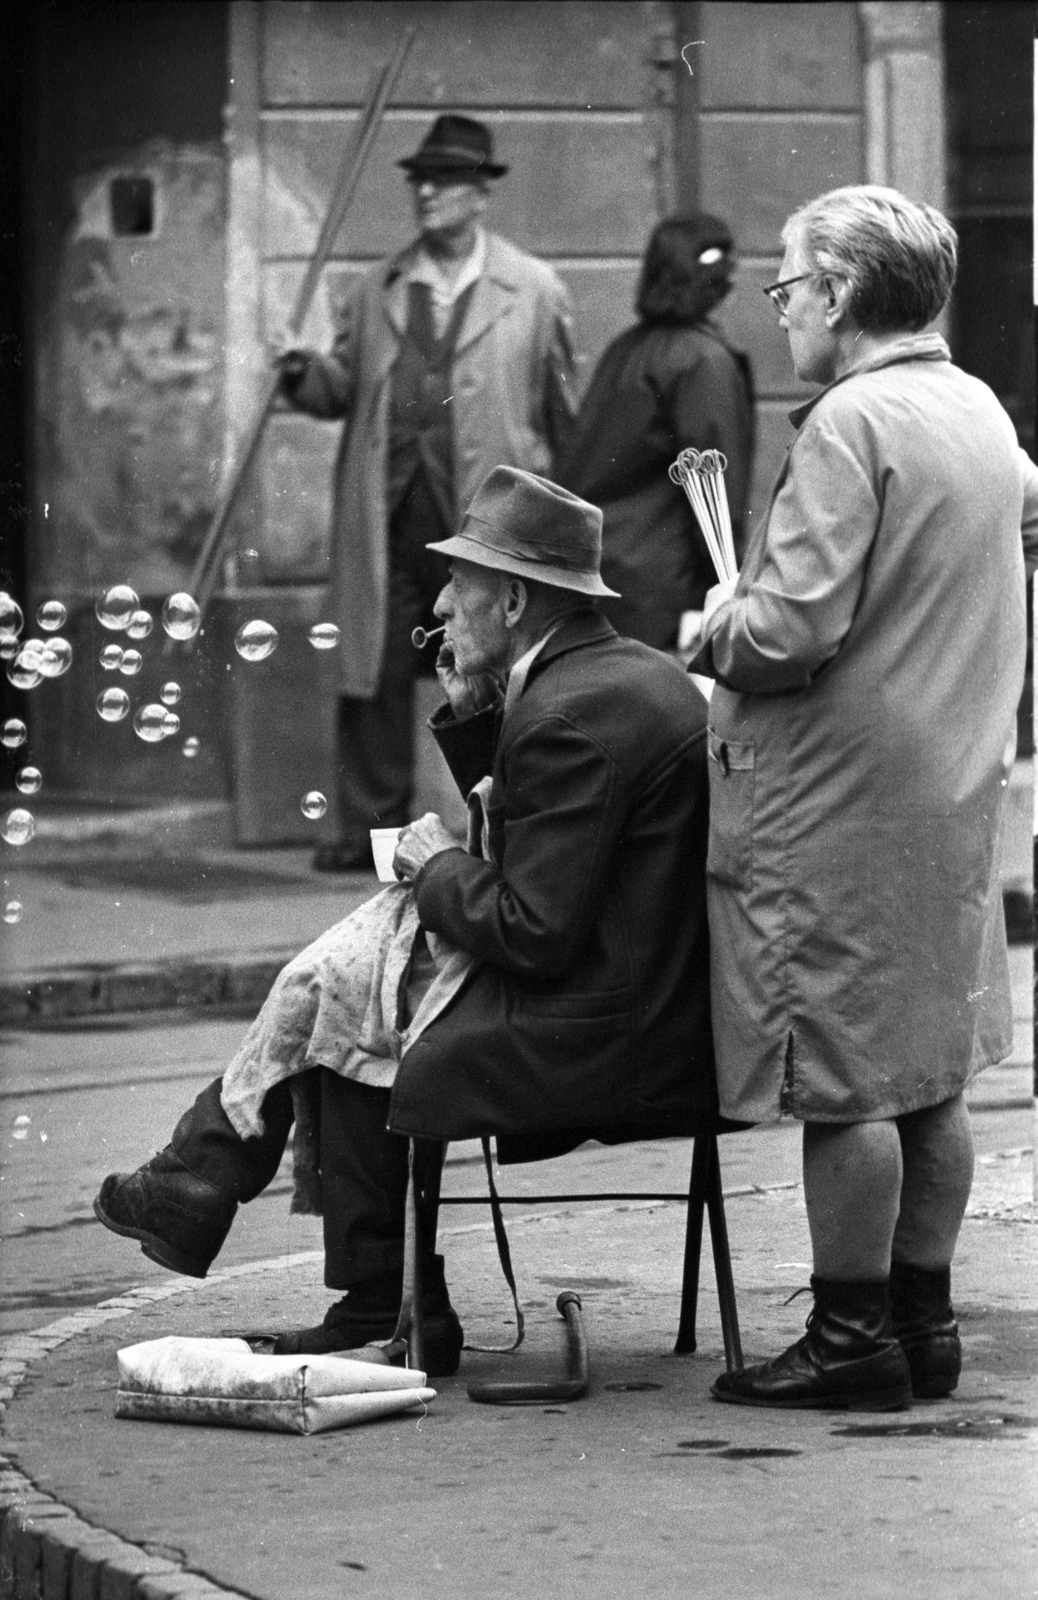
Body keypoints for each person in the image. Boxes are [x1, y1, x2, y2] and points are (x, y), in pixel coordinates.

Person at [94, 466, 718, 1377]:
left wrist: (435, 867)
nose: (439, 602)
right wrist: (474, 722)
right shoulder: (613, 678)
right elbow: (542, 846)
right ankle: (256, 1211)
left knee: (357, 1007)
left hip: (611, 1032)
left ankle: (341, 1271)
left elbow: (531, 927)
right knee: (360, 980)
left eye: (459, 585)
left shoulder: (571, 716)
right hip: (638, 995)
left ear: (511, 600)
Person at [694, 185, 1038, 1411]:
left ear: (840, 296)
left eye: (787, 287)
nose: (782, 309)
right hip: (947, 788)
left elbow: (788, 630)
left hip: (833, 801)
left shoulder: (847, 422)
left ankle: (849, 1341)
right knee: (931, 1070)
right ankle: (921, 1322)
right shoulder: (977, 409)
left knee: (843, 1079)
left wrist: (713, 623)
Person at [276, 115, 576, 871]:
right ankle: (370, 841)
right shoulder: (377, 285)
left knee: (486, 669)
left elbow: (564, 416)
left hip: (482, 521)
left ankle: (494, 829)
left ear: (479, 194)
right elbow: (339, 387)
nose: (425, 192)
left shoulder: (533, 288)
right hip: (388, 516)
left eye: (441, 180)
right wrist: (299, 372)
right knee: (372, 673)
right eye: (418, 179)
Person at [555, 213, 754, 653]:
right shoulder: (702, 361)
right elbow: (715, 498)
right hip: (661, 603)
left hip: (600, 586)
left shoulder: (627, 349)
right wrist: (718, 597)